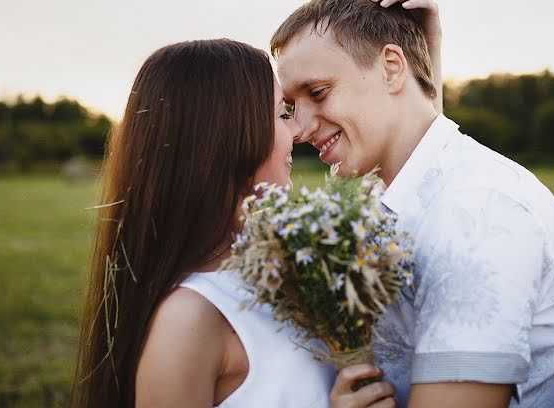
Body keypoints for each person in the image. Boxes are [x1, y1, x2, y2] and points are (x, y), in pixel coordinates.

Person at [271, 0, 554, 408]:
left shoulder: (480, 213)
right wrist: (428, 55)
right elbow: (423, 139)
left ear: (392, 67)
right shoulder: (387, 190)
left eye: (317, 93)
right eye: (292, 106)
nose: (298, 128)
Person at [71, 39, 396, 407]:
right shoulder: (190, 319)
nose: (297, 132)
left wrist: (425, 55)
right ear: (230, 136)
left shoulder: (281, 269)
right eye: (282, 114)